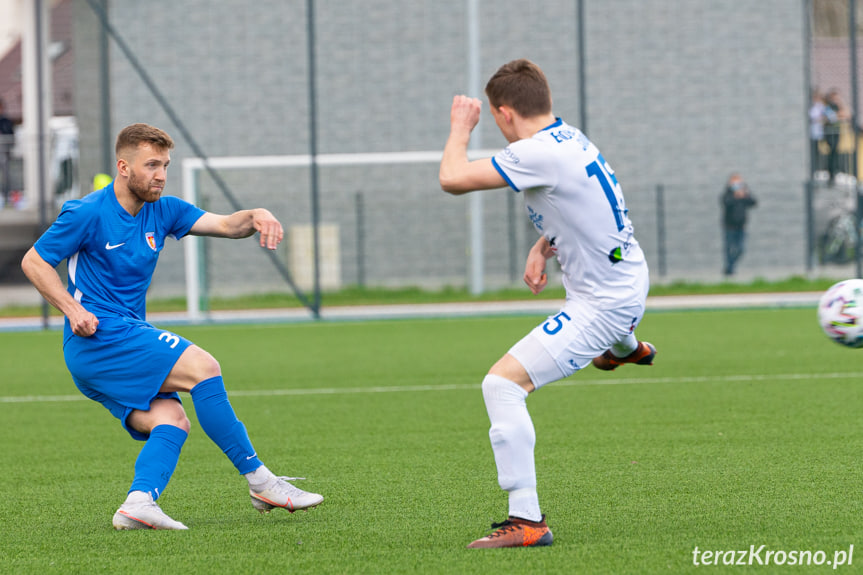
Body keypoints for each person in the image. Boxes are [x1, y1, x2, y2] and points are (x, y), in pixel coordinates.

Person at [20, 123, 323, 530]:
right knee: (204, 367)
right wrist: (72, 309)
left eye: (164, 165)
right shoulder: (89, 212)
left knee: (172, 421)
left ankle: (138, 504)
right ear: (123, 167)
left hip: (118, 341)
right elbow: (34, 261)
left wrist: (256, 214)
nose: (161, 174)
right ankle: (261, 482)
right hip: (98, 337)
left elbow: (228, 225)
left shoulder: (165, 210)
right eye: (151, 165)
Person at [439, 59, 655, 549]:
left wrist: (459, 129)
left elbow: (452, 178)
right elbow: (579, 205)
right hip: (627, 276)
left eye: (494, 119)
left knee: (501, 385)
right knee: (603, 329)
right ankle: (627, 349)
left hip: (604, 303)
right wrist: (542, 246)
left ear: (505, 113)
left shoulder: (536, 154)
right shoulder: (569, 137)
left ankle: (527, 521)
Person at [720, 173, 757, 276]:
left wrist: (744, 195)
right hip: (729, 226)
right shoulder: (727, 194)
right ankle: (729, 269)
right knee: (729, 248)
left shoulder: (744, 194)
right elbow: (726, 202)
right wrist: (735, 196)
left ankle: (730, 266)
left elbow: (753, 202)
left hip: (741, 226)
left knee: (740, 249)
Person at [823, 88, 845, 184]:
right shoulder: (828, 106)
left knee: (836, 151)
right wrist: (838, 116)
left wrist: (838, 114)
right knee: (832, 152)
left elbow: (845, 114)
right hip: (830, 132)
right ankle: (831, 173)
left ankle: (835, 171)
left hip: (837, 131)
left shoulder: (837, 106)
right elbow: (830, 118)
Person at [808, 89, 826, 177]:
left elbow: (828, 116)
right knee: (811, 151)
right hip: (811, 132)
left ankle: (817, 170)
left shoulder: (821, 106)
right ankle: (811, 169)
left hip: (818, 132)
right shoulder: (810, 106)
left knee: (817, 151)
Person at [0, 98, 14, 206]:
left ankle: (6, 199)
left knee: (6, 177)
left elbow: (11, 136)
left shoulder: (6, 121)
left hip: (4, 153)